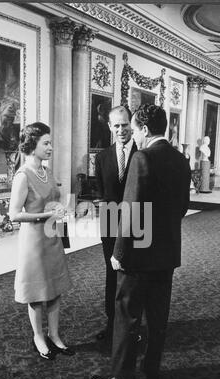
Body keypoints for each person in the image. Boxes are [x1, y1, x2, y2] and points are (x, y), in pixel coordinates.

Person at [92, 104, 191, 379]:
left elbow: (131, 210)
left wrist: (119, 253)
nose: (131, 135)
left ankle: (121, 376)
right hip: (168, 252)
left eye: (133, 129)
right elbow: (182, 208)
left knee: (127, 312)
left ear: (144, 130)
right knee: (158, 317)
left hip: (137, 254)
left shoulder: (143, 158)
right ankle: (150, 372)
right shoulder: (180, 159)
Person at [9, 122, 74, 360]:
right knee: (37, 293)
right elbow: (14, 214)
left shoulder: (47, 172)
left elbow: (53, 201)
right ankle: (38, 337)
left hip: (52, 236)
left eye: (50, 143)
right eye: (45, 143)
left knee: (55, 289)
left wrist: (60, 210)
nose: (50, 148)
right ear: (32, 145)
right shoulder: (22, 176)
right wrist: (46, 215)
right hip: (34, 242)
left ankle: (55, 335)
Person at [95, 105, 138, 344]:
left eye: (125, 124)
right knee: (112, 274)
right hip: (110, 222)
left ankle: (133, 325)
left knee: (135, 274)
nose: (121, 129)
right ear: (110, 127)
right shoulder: (102, 157)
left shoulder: (143, 152)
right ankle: (112, 324)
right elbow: (102, 194)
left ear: (131, 124)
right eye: (116, 125)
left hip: (140, 222)